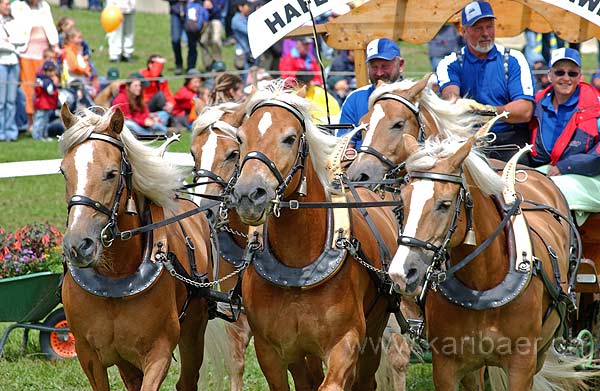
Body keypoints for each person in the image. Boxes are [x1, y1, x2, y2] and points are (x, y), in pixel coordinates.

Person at [436, 1, 535, 162]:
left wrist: (487, 111)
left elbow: (525, 111)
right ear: (464, 32)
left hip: (509, 141)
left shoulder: (513, 59)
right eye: (478, 28)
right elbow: (452, 99)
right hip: (468, 140)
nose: (486, 33)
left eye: (489, 26)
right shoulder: (450, 63)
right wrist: (458, 103)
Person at [529, 48, 600, 225]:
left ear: (580, 76)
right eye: (560, 72)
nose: (566, 78)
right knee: (519, 183)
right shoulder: (538, 104)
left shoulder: (595, 105)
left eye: (572, 73)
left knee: (551, 190)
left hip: (592, 177)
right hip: (551, 170)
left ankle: (567, 247)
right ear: (550, 75)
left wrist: (566, 166)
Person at [337, 37, 404, 147]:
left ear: (400, 65)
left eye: (385, 66)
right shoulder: (355, 99)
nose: (379, 73)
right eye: (374, 67)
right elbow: (344, 146)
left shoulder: (418, 97)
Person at [11, 0, 59, 130]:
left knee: (43, 88)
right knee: (29, 87)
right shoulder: (17, 6)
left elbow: (50, 26)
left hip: (43, 54)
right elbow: (14, 27)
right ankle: (30, 121)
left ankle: (41, 122)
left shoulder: (44, 6)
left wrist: (55, 45)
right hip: (26, 53)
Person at [112, 72, 169, 136]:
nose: (139, 88)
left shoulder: (138, 96)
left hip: (140, 123)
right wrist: (144, 122)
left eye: (139, 85)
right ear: (128, 87)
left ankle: (155, 130)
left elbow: (144, 111)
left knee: (164, 114)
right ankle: (153, 133)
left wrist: (151, 118)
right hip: (127, 125)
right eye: (135, 86)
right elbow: (126, 118)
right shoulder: (121, 98)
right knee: (129, 124)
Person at [0, 0, 21, 142]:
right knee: (1, 101)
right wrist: (11, 44)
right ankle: (1, 131)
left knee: (11, 100)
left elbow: (21, 39)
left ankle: (10, 131)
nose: (8, 7)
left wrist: (10, 42)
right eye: (6, 4)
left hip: (14, 62)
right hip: (1, 63)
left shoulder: (13, 21)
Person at [32, 60, 59, 140]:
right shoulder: (43, 80)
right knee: (40, 120)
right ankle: (37, 136)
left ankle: (44, 135)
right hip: (42, 105)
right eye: (47, 70)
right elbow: (49, 90)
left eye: (51, 70)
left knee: (45, 121)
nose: (50, 73)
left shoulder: (46, 80)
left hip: (47, 105)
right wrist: (54, 85)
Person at [199, 0, 226, 70]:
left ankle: (218, 62)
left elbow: (221, 5)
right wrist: (203, 5)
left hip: (215, 18)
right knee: (203, 42)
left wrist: (212, 6)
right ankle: (208, 65)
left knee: (216, 40)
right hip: (203, 20)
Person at [230, 0, 252, 71]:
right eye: (247, 6)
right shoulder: (236, 20)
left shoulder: (247, 18)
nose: (249, 8)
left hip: (249, 52)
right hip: (242, 53)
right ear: (240, 7)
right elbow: (249, 31)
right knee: (245, 76)